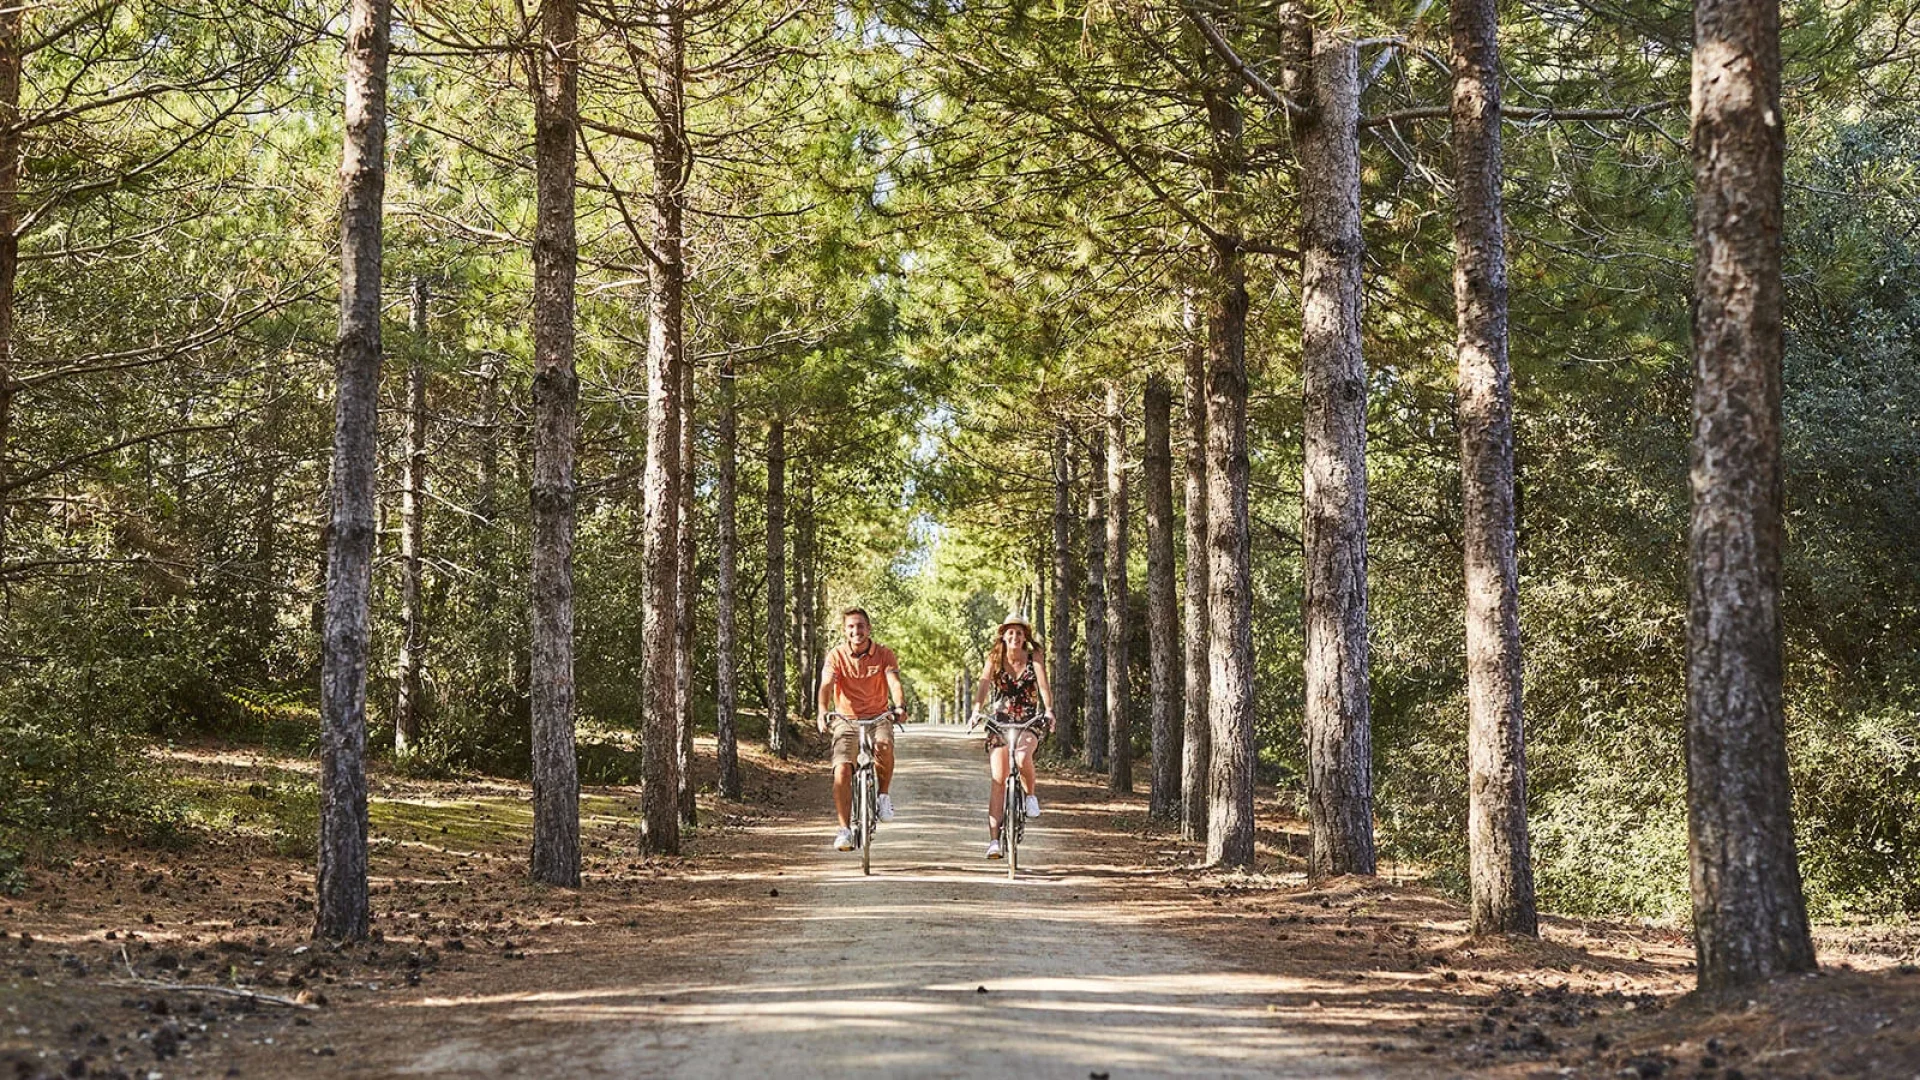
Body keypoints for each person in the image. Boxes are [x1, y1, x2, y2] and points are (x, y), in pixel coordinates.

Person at [817, 607, 906, 852]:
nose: (857, 631)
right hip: (846, 719)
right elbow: (826, 684)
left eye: (861, 626)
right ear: (845, 631)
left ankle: (883, 796)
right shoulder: (836, 656)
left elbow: (894, 682)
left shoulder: (885, 654)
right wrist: (822, 710)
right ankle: (844, 829)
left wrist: (899, 706)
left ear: (869, 628)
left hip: (878, 716)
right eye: (851, 627)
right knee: (842, 770)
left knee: (883, 746)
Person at [970, 617, 1054, 859]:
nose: (1014, 637)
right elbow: (984, 685)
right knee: (998, 778)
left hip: (1028, 719)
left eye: (1019, 633)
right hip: (1000, 720)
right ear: (1003, 636)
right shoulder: (995, 657)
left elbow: (1043, 685)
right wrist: (977, 710)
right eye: (1010, 633)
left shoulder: (1034, 656)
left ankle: (1030, 796)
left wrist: (1048, 710)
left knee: (1021, 756)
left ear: (1024, 636)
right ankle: (994, 841)